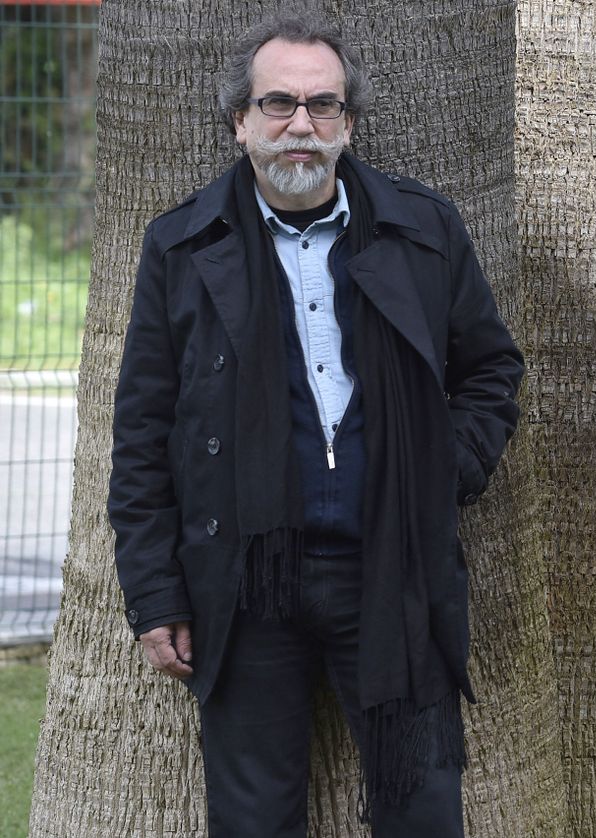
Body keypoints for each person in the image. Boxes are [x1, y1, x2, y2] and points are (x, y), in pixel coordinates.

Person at [108, 14, 524, 836]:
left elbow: (490, 369)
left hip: (393, 570)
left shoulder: (423, 230)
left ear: (348, 123)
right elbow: (145, 432)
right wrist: (155, 596)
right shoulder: (183, 246)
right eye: (278, 104)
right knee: (254, 821)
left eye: (322, 106)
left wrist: (443, 466)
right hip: (246, 580)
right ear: (240, 121)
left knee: (423, 813)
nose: (301, 125)